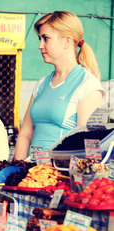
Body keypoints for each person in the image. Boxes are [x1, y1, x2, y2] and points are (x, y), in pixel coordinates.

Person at [14, 10, 106, 161]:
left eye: (46, 38)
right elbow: (25, 134)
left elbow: (84, 146)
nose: (40, 45)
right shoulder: (42, 83)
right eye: (40, 39)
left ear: (66, 41)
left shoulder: (88, 85)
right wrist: (16, 169)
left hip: (60, 175)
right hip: (32, 173)